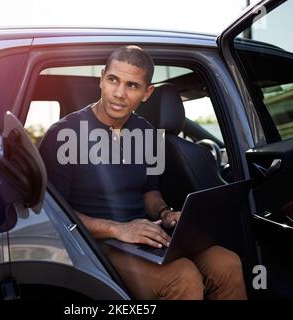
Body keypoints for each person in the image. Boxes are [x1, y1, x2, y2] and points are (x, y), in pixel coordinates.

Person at [39, 45, 247, 300]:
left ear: (147, 93)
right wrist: (118, 229)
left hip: (141, 238)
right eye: (113, 80)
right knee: (182, 277)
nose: (119, 93)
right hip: (92, 244)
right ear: (101, 78)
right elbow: (55, 215)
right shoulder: (63, 134)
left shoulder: (146, 132)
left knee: (227, 264)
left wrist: (165, 213)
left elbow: (150, 191)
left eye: (132, 86)